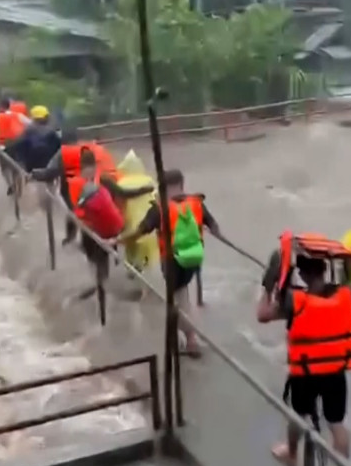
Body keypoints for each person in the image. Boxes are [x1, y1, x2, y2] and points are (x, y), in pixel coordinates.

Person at [256, 232, 351, 466]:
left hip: (306, 373)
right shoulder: (345, 294)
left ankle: (291, 453)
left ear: (300, 273)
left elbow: (262, 314)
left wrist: (270, 284)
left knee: (298, 416)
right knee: (337, 424)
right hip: (335, 372)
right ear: (325, 270)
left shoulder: (294, 301)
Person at [110, 169, 225, 358]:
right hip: (194, 260)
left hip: (172, 261)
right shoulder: (195, 203)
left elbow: (140, 231)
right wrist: (219, 234)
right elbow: (213, 224)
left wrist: (117, 240)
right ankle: (187, 336)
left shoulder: (160, 208)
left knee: (178, 299)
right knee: (182, 294)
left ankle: (190, 339)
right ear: (182, 184)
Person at [60, 147, 153, 299]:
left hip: (91, 228)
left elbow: (71, 211)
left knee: (98, 257)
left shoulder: (76, 183)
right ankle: (101, 288)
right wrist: (145, 189)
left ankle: (100, 288)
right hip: (102, 227)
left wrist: (70, 235)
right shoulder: (103, 179)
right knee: (98, 256)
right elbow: (124, 193)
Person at [34, 130, 115, 245]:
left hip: (73, 189)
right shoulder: (89, 148)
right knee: (93, 213)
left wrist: (34, 174)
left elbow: (49, 173)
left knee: (74, 213)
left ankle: (73, 237)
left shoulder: (62, 153)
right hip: (96, 186)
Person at [5, 105, 61, 195]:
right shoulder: (52, 132)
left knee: (39, 189)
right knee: (50, 188)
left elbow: (19, 149)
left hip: (32, 168)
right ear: (46, 118)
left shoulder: (26, 132)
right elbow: (58, 148)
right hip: (50, 167)